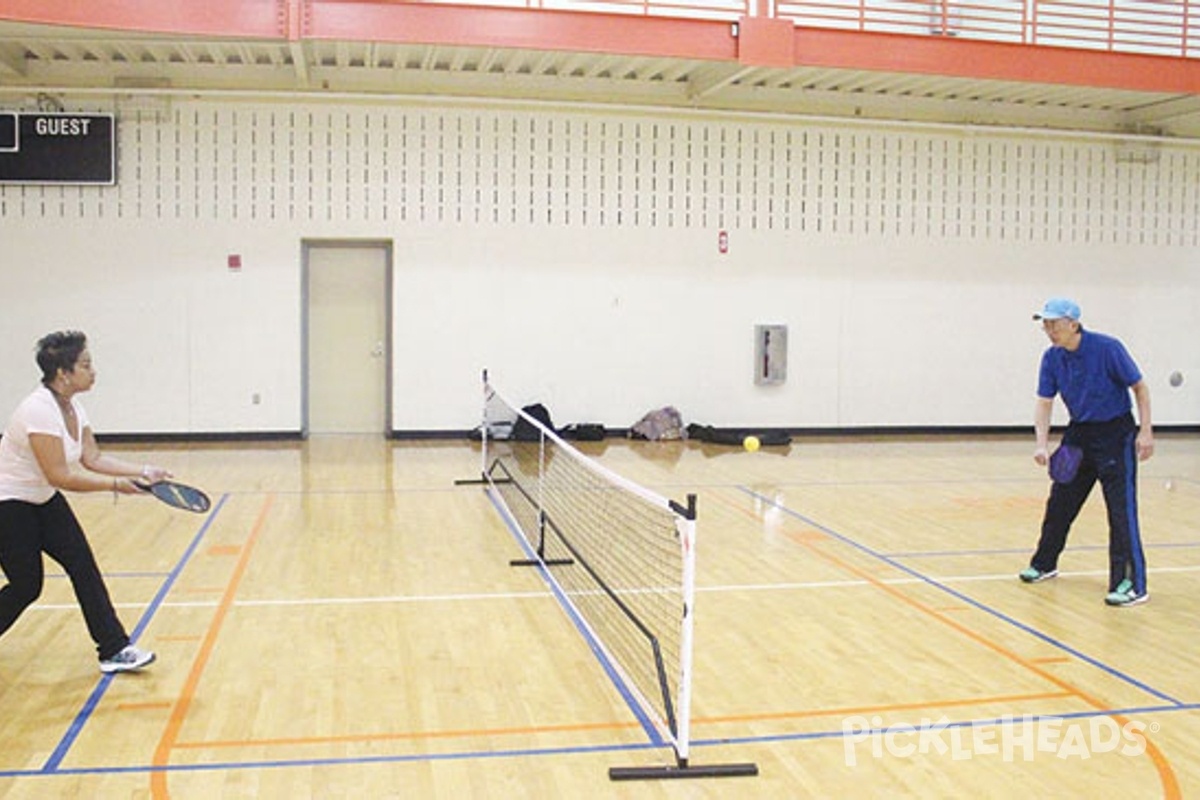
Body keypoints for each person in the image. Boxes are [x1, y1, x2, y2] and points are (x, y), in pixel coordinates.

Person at [0, 331, 172, 672]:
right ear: (63, 373)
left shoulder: (72, 405)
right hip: (9, 504)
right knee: (26, 585)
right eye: (85, 365)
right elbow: (60, 475)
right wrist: (115, 486)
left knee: (82, 565)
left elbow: (91, 457)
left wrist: (143, 470)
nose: (93, 371)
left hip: (42, 499)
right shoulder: (38, 410)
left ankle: (113, 648)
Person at [1019, 299, 1153, 607]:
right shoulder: (1051, 358)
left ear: (1073, 324)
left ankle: (1131, 583)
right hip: (1078, 434)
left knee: (1120, 511)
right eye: (1046, 324)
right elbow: (1044, 402)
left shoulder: (1108, 349)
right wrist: (1042, 443)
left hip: (1115, 433)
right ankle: (1044, 562)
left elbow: (1140, 388)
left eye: (1054, 324)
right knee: (1060, 500)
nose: (1049, 330)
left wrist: (1145, 431)